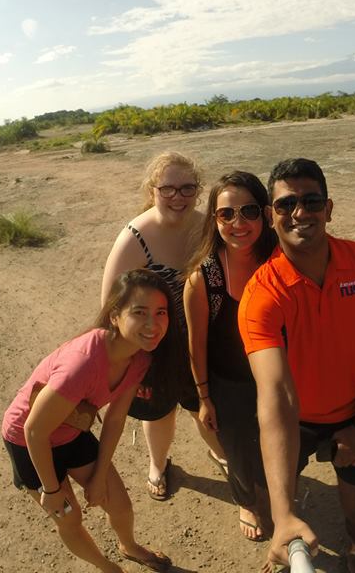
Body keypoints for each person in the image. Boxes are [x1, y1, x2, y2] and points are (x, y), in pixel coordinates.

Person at [238, 158, 355, 573]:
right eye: (286, 203)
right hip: (295, 420)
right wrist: (284, 512)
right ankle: (278, 525)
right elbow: (275, 395)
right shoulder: (262, 294)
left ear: (329, 208)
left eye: (311, 201)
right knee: (269, 493)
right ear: (271, 216)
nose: (299, 213)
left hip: (353, 411)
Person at [1, 269, 174, 573]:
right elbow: (34, 430)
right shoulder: (82, 363)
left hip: (70, 433)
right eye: (139, 312)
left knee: (119, 503)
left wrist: (98, 476)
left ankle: (129, 546)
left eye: (161, 312)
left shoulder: (140, 357)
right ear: (114, 316)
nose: (153, 323)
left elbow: (116, 418)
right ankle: (108, 568)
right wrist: (52, 491)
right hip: (28, 441)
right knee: (68, 516)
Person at [100, 152, 226, 502]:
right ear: (152, 189)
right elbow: (110, 305)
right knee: (159, 412)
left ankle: (220, 454)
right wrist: (115, 360)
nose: (178, 197)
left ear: (199, 190)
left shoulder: (208, 226)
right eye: (168, 189)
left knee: (205, 405)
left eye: (187, 188)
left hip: (202, 340)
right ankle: (158, 465)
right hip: (152, 346)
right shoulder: (135, 237)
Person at [184, 171, 278, 541]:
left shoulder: (280, 258)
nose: (238, 223)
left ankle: (276, 496)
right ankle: (246, 501)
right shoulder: (203, 278)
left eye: (249, 211)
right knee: (238, 451)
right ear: (214, 219)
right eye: (226, 214)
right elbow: (197, 345)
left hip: (276, 377)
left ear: (266, 214)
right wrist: (205, 399)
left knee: (278, 444)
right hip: (228, 383)